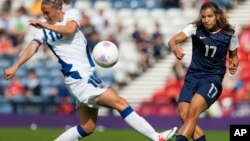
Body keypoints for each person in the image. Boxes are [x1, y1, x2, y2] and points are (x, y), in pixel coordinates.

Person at [3, 0, 177, 141]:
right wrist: (15, 66)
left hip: (85, 77)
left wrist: (44, 25)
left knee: (88, 127)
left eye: (47, 12)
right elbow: (31, 48)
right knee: (121, 103)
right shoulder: (43, 31)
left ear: (58, 9)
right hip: (79, 79)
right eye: (43, 12)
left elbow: (70, 30)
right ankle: (157, 137)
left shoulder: (71, 15)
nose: (44, 16)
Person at [168, 2, 239, 141]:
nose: (206, 20)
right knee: (183, 114)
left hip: (212, 79)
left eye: (210, 16)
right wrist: (174, 47)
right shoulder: (195, 28)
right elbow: (173, 40)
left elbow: (234, 56)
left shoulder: (229, 34)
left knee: (192, 112)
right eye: (204, 17)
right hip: (192, 77)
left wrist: (234, 65)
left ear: (217, 16)